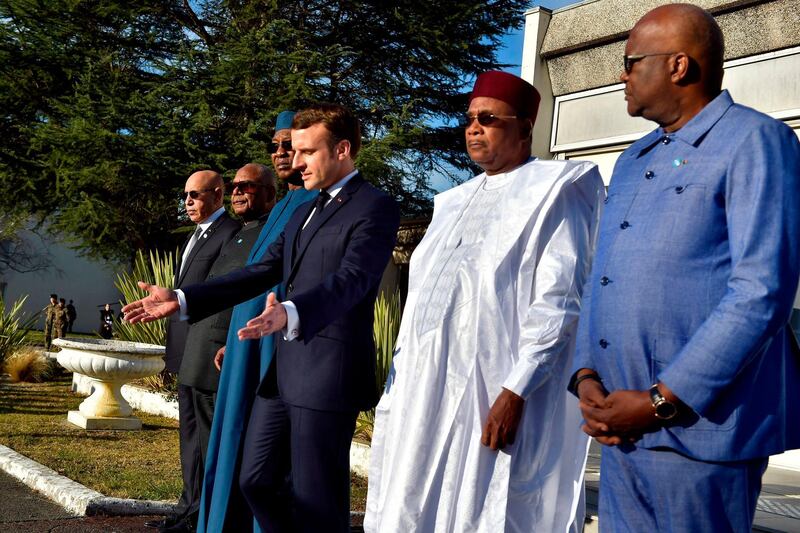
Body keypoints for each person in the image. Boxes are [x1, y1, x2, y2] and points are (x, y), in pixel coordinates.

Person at [571, 5, 800, 532]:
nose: (620, 75)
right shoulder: (632, 160)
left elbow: (761, 293)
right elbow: (601, 280)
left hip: (701, 434)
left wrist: (660, 401)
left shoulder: (756, 142)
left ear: (678, 66)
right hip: (619, 429)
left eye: (630, 61)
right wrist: (586, 376)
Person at [123, 103, 400, 533]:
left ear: (342, 149)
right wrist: (182, 298)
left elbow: (353, 281)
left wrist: (290, 311)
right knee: (255, 479)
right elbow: (260, 271)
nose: (297, 159)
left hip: (328, 374)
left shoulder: (374, 207)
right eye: (294, 149)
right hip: (282, 375)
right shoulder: (306, 209)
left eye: (307, 151)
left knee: (318, 502)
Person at [365, 71, 604, 532]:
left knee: (486, 504)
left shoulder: (555, 190)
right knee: (410, 500)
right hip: (423, 387)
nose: (474, 127)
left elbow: (559, 302)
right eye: (470, 118)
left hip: (496, 386)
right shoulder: (452, 201)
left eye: (488, 119)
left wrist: (516, 390)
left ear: (524, 127)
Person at [197, 112, 317, 533]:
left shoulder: (314, 202)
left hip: (277, 341)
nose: (283, 154)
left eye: (292, 145)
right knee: (233, 436)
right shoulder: (283, 204)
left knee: (266, 459)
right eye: (277, 146)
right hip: (246, 341)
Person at [176, 162, 275, 531]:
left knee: (214, 445)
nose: (238, 192)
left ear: (270, 192)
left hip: (219, 352)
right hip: (198, 350)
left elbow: (247, 290)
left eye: (246, 186)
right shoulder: (241, 232)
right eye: (235, 185)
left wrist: (230, 340)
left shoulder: (249, 231)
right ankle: (191, 512)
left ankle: (202, 516)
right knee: (195, 443)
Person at [148, 170, 240, 533]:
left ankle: (199, 515)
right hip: (186, 349)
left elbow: (224, 294)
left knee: (203, 438)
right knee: (188, 436)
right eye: (184, 195)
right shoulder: (196, 235)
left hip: (207, 352)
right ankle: (187, 507)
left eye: (195, 195)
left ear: (218, 195)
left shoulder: (229, 235)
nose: (187, 202)